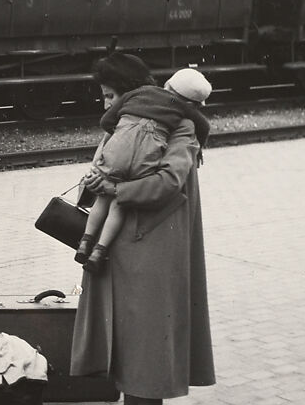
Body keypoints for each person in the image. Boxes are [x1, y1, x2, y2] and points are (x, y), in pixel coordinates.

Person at [69, 54, 216, 405]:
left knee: (147, 336)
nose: (108, 105)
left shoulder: (181, 128)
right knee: (127, 330)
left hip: (154, 245)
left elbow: (168, 183)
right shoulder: (135, 121)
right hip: (127, 242)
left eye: (112, 96)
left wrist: (113, 186)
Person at [75, 67, 213, 274]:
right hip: (141, 176)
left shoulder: (137, 103)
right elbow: (204, 127)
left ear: (167, 84)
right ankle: (98, 250)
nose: (107, 104)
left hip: (135, 227)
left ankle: (86, 242)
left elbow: (106, 124)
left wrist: (121, 133)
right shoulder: (187, 120)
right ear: (195, 105)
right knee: (118, 204)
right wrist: (200, 147)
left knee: (105, 198)